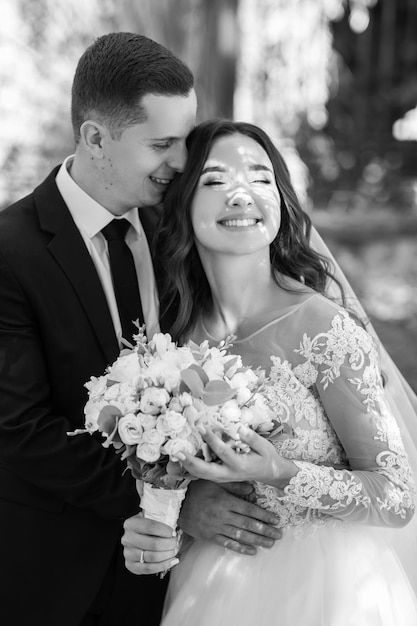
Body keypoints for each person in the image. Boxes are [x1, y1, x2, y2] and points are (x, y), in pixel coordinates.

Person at [0, 37, 280, 626]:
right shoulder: (11, 252)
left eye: (185, 138)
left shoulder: (178, 223)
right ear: (95, 138)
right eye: (161, 144)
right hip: (59, 575)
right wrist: (175, 498)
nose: (182, 162)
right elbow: (20, 431)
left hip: (186, 578)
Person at [122, 119, 417, 625]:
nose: (241, 195)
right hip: (207, 590)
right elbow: (164, 481)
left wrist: (278, 472)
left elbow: (396, 497)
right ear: (184, 203)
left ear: (280, 200)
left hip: (326, 593)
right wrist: (163, 525)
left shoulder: (323, 328)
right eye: (215, 181)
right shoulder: (170, 344)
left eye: (260, 178)